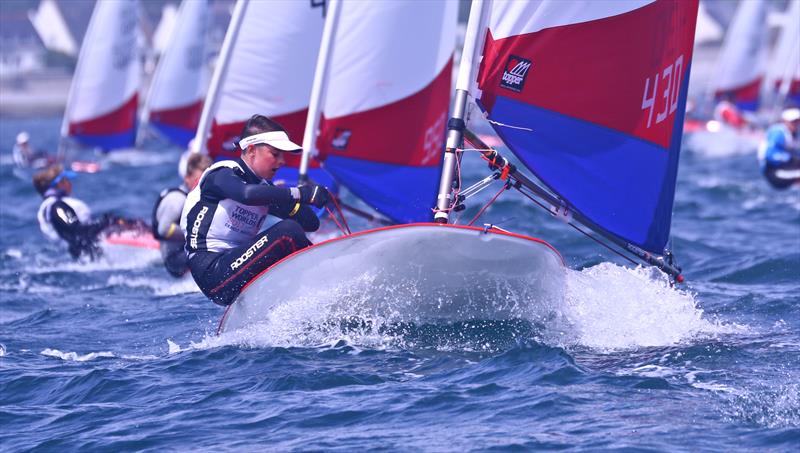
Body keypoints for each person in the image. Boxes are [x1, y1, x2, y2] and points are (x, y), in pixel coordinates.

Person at [180, 114, 329, 306]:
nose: (282, 161)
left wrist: (313, 197)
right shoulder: (221, 173)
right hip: (211, 271)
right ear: (251, 150)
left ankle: (307, 292)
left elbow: (311, 223)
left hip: (239, 268)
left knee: (292, 230)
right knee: (287, 232)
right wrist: (299, 193)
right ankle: (325, 281)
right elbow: (246, 194)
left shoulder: (264, 189)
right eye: (275, 154)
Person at [33, 164, 132, 260]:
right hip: (85, 256)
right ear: (60, 183)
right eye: (67, 180)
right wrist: (108, 223)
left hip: (80, 255)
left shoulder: (50, 206)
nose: (70, 183)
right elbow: (77, 231)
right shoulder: (57, 208)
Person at [152, 152, 213, 277]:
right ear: (187, 178)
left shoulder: (197, 198)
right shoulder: (177, 200)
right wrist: (197, 236)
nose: (202, 184)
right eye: (198, 180)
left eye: (206, 180)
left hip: (188, 252)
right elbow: (164, 229)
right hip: (174, 259)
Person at [758, 108, 800, 189]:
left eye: (797, 121)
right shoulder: (778, 132)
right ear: (784, 121)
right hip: (773, 172)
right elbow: (769, 155)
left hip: (785, 167)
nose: (795, 124)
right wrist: (789, 158)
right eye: (793, 121)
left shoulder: (793, 133)